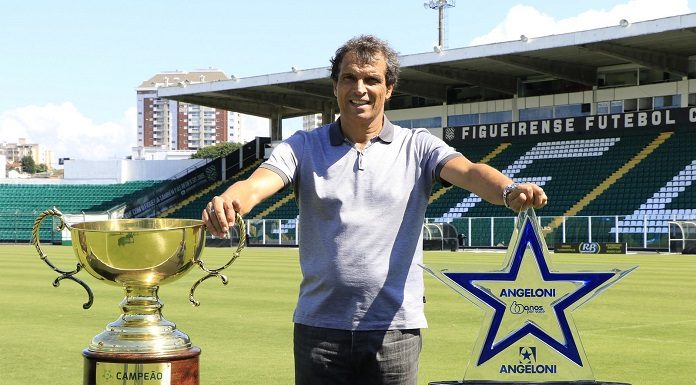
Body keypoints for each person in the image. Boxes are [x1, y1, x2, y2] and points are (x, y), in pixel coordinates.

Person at [203, 35, 548, 385]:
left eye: (372, 79)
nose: (360, 89)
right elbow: (259, 183)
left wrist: (507, 189)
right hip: (319, 330)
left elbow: (471, 172)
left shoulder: (419, 146)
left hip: (395, 330)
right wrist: (231, 202)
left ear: (390, 88)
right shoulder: (303, 145)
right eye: (350, 78)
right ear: (335, 86)